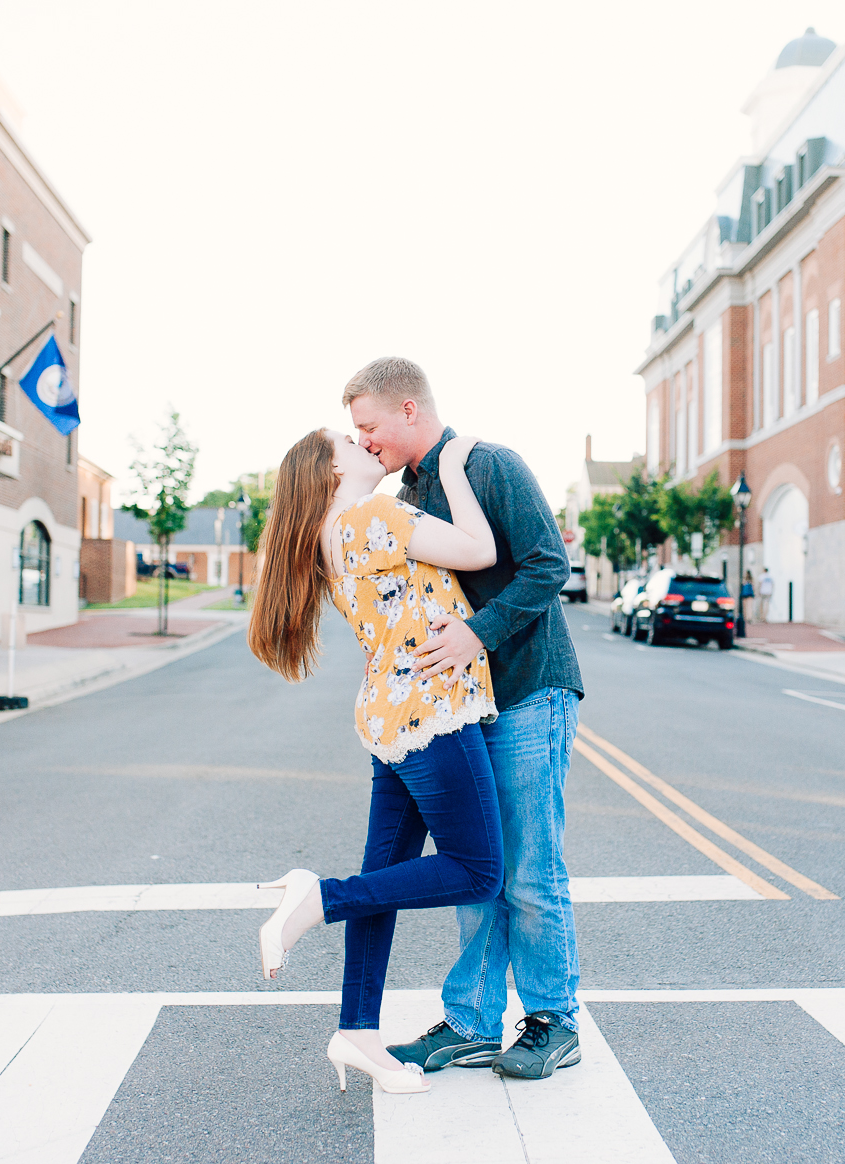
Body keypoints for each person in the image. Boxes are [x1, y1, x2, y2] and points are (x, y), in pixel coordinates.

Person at [345, 356, 586, 1081]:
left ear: (409, 409)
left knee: (530, 871)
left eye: (370, 426)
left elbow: (547, 566)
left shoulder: (492, 466)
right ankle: (472, 1023)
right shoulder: (407, 490)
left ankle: (553, 1020)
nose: (363, 444)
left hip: (528, 691)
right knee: (477, 874)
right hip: (459, 709)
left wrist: (478, 632)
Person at [247, 427, 503, 1096]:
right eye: (348, 441)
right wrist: (451, 463)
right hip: (433, 708)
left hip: (390, 715)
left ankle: (357, 1030)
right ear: (333, 469)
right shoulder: (374, 515)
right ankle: (319, 899)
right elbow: (480, 550)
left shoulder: (331, 533)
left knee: (384, 878)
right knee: (478, 872)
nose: (365, 442)